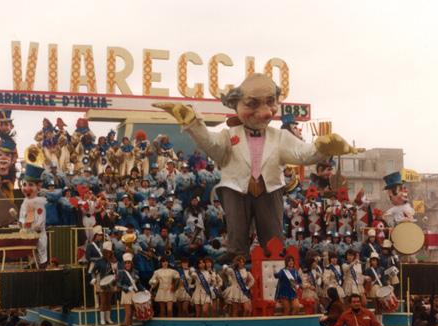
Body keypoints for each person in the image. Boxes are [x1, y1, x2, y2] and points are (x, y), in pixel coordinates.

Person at [154, 73, 361, 259]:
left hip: (269, 188)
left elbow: (302, 153)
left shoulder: (279, 137)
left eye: (270, 102)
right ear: (235, 104)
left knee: (272, 232)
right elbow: (212, 145)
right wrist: (192, 124)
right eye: (252, 104)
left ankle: (274, 256)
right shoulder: (229, 135)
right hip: (236, 188)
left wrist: (323, 148)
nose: (265, 113)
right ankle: (237, 254)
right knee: (236, 227)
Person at [18, 163, 48, 267]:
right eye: (25, 185)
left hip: (38, 234)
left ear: (38, 187)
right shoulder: (25, 202)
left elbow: (40, 220)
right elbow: (22, 215)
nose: (26, 188)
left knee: (41, 251)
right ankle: (32, 263)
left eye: (30, 185)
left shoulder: (39, 203)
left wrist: (33, 226)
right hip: (28, 233)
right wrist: (22, 223)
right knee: (30, 252)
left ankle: (41, 266)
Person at [117, 253, 147, 326]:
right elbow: (118, 284)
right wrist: (127, 287)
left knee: (131, 315)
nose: (127, 264)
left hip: (134, 293)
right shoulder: (121, 272)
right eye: (126, 263)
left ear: (131, 263)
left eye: (129, 263)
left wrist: (144, 289)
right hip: (126, 293)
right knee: (128, 314)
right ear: (124, 264)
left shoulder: (136, 271)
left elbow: (138, 283)